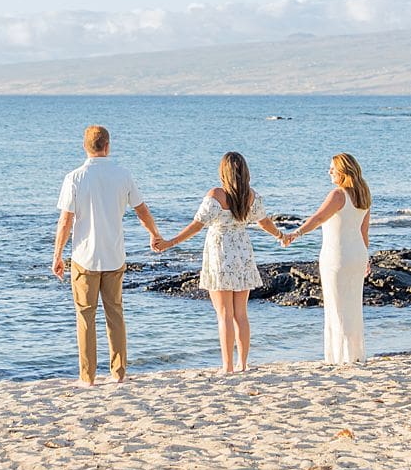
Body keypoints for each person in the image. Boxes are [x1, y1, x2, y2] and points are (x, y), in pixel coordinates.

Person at [154, 152, 284, 375]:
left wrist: (170, 242)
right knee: (241, 314)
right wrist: (281, 235)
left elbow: (197, 225)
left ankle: (228, 366)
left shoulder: (216, 195)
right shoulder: (251, 196)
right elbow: (265, 222)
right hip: (243, 253)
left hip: (220, 254)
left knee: (224, 313)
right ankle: (243, 364)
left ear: (223, 172)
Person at [52, 124, 162, 386]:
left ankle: (87, 377)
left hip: (84, 258)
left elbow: (65, 221)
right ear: (108, 146)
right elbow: (142, 210)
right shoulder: (123, 175)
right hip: (114, 256)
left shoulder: (75, 178)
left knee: (86, 316)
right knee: (115, 314)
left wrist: (57, 255)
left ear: (85, 147)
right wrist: (154, 234)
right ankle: (119, 373)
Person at [282, 153, 371, 365]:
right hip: (357, 254)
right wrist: (366, 257)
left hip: (337, 256)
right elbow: (364, 231)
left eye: (333, 168)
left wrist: (296, 233)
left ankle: (339, 357)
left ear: (343, 171)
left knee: (336, 305)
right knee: (353, 306)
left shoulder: (338, 195)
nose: (329, 171)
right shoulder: (364, 194)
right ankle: (355, 354)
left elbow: (318, 218)